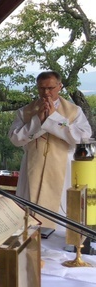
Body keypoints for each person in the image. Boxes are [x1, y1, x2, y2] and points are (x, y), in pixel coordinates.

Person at [8, 70, 92, 228]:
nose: (46, 93)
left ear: (60, 86)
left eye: (50, 88)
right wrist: (37, 121)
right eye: (41, 88)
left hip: (63, 169)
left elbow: (81, 140)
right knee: (29, 217)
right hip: (32, 167)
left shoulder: (74, 112)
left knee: (60, 217)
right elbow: (16, 139)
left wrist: (54, 118)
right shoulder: (25, 112)